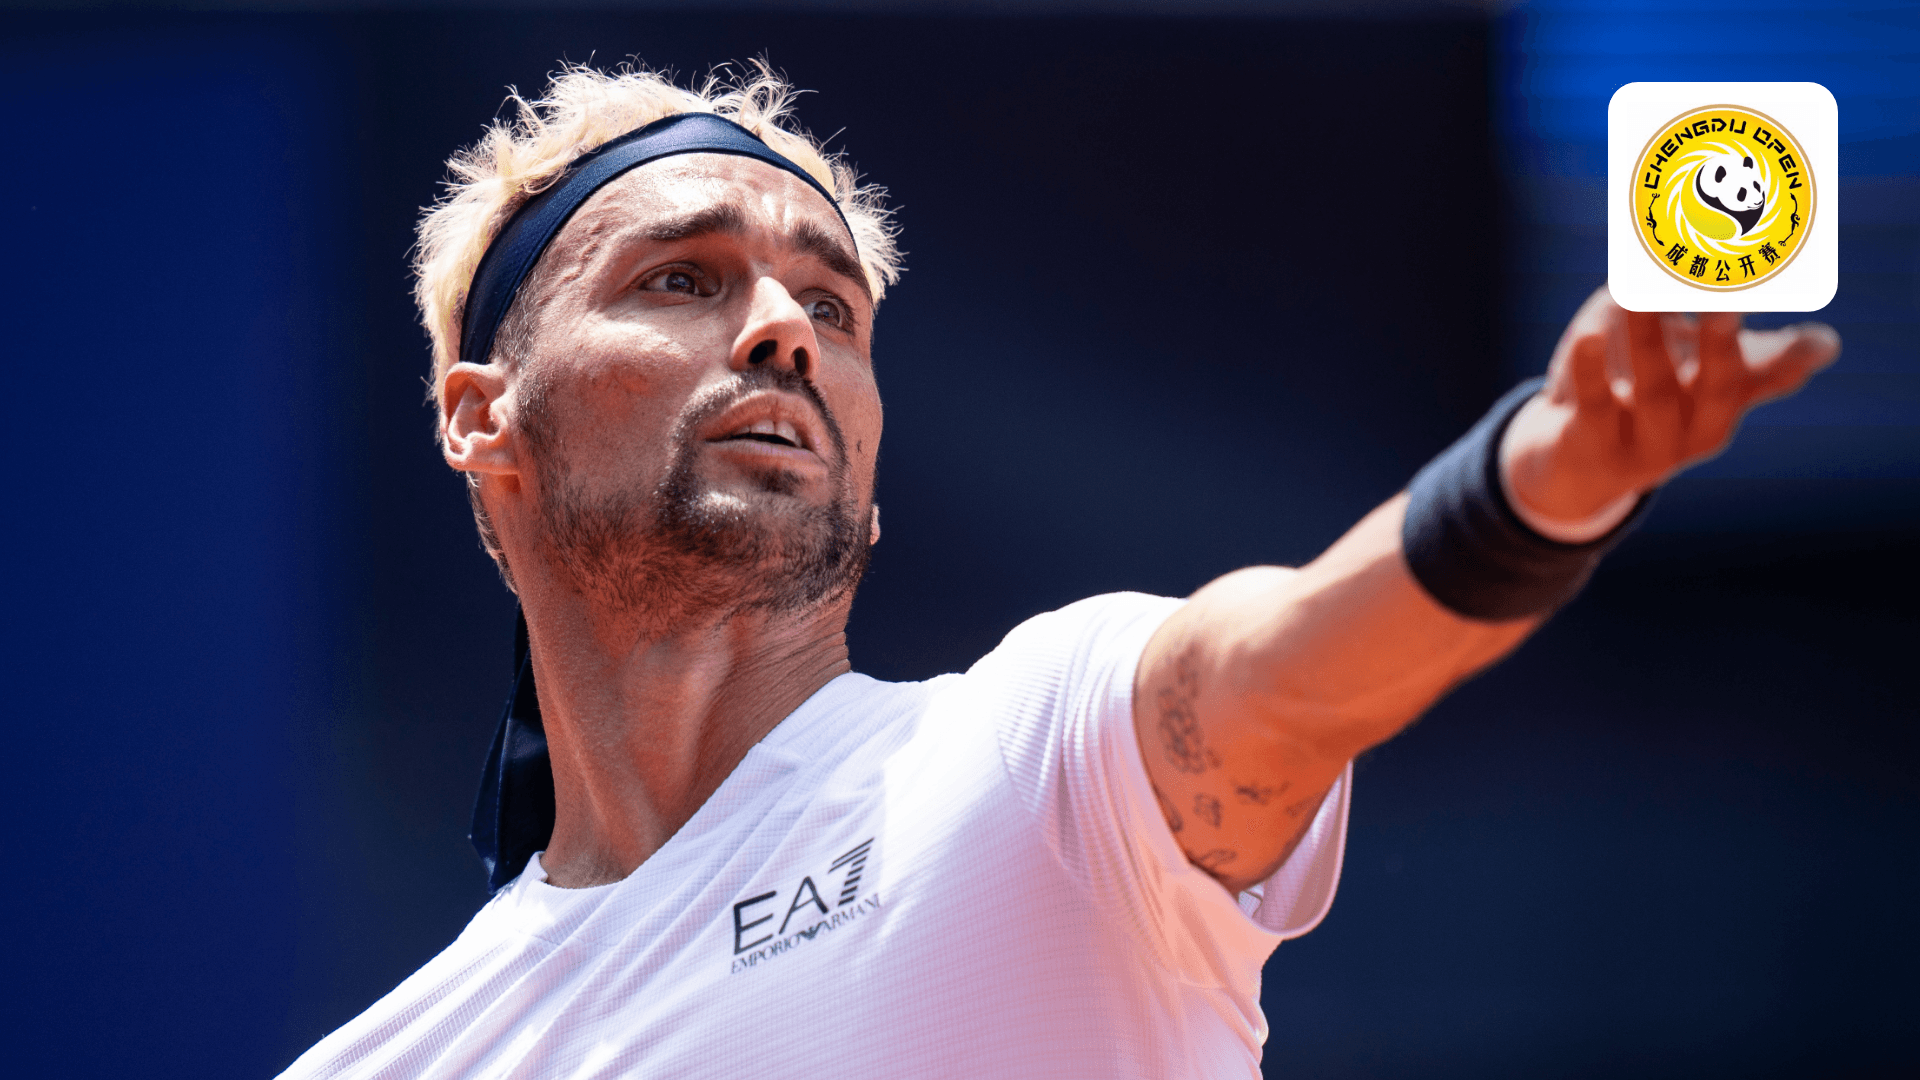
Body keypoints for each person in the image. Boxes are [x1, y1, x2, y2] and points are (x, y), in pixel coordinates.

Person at [280, 63, 1839, 1079]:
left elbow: (1289, 666)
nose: (782, 332)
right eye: (682, 278)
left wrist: (1533, 488)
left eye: (832, 307)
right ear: (482, 417)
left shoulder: (1037, 751)